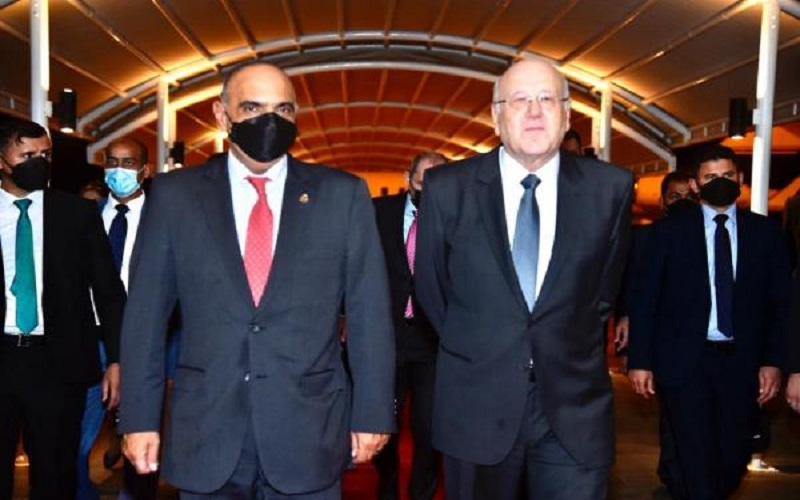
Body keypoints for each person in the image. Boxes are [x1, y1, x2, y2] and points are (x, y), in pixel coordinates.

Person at [119, 61, 395, 499]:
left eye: (283, 109)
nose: (270, 121)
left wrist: (374, 412)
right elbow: (145, 317)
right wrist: (138, 419)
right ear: (221, 114)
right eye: (252, 108)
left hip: (309, 429)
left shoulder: (342, 195)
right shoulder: (176, 196)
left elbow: (370, 313)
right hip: (207, 428)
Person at [415, 59, 633, 500]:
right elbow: (432, 290)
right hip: (477, 406)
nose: (534, 111)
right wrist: (484, 342)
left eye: (547, 99)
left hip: (574, 408)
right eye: (519, 100)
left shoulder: (610, 188)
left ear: (567, 116)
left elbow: (602, 292)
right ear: (497, 117)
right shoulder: (448, 189)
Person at [628, 144, 792, 499]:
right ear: (695, 184)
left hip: (742, 363)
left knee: (733, 456)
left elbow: (781, 304)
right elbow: (645, 300)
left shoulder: (766, 234)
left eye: (728, 175)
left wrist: (775, 361)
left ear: (741, 178)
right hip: (685, 363)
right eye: (711, 176)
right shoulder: (668, 233)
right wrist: (640, 361)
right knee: (694, 454)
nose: (721, 182)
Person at [0, 117, 126, 500]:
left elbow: (108, 292)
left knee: (55, 475)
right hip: (2, 355)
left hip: (56, 364)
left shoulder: (77, 214)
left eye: (45, 154)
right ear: (2, 160)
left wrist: (117, 359)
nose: (39, 162)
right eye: (27, 155)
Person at [614, 171, 694, 496]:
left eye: (688, 197)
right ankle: (674, 475)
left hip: (701, 342)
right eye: (675, 197)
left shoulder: (711, 236)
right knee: (672, 412)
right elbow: (630, 285)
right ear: (663, 202)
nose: (682, 203)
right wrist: (630, 341)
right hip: (664, 342)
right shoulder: (645, 238)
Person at [372, 152, 446, 500]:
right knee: (385, 419)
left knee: (429, 426)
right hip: (387, 336)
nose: (429, 191)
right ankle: (386, 486)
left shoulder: (454, 217)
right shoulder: (377, 212)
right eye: (422, 182)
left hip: (433, 339)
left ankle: (422, 493)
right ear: (408, 178)